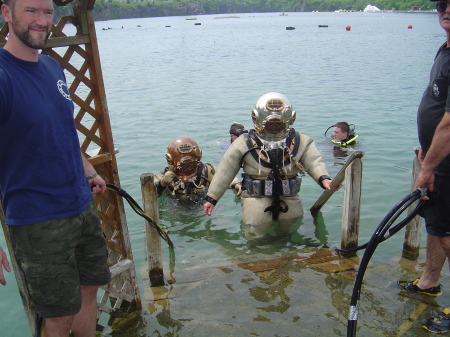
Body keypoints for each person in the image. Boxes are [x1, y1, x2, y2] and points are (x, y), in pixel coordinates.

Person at [0, 0, 111, 336]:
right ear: (6, 13)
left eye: (47, 12)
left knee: (89, 289)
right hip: (38, 219)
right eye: (31, 11)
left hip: (80, 204)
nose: (42, 21)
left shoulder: (52, 67)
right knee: (59, 315)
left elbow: (62, 130)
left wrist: (88, 168)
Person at [203, 92, 336, 241]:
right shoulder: (243, 143)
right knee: (255, 233)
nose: (274, 124)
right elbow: (225, 171)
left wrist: (324, 179)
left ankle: (287, 257)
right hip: (255, 199)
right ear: (256, 117)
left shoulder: (301, 141)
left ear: (290, 118)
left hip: (289, 198)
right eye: (270, 121)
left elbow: (314, 161)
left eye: (278, 121)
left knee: (291, 231)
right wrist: (212, 198)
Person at [392, 0, 450, 333]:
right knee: (436, 225)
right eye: (442, 2)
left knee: (447, 233)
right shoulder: (444, 50)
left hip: (445, 164)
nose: (447, 9)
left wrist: (427, 168)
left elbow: (449, 123)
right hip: (438, 158)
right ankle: (429, 281)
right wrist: (427, 152)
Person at [155, 136, 240, 197]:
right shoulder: (165, 176)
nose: (187, 165)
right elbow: (150, 193)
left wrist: (237, 184)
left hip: (203, 205)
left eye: (189, 161)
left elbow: (227, 176)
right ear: (169, 159)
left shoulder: (208, 171)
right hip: (174, 207)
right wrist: (162, 184)